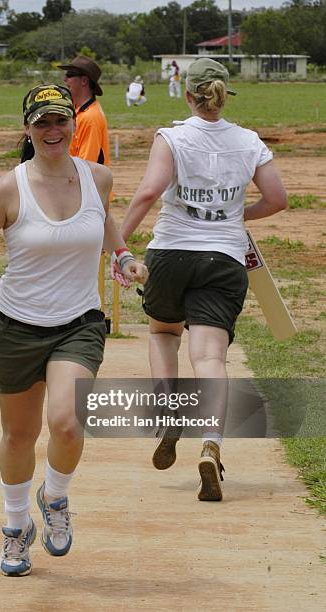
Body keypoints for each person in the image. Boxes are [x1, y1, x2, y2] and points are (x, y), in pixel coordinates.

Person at [0, 83, 148, 577]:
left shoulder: (98, 177)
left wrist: (122, 255)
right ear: (27, 129)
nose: (53, 130)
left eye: (61, 120)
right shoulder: (6, 189)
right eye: (42, 122)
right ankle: (16, 528)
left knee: (66, 421)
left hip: (79, 323)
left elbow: (102, 220)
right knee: (19, 436)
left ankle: (55, 498)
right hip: (17, 326)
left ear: (73, 124)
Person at [120, 58, 288, 502]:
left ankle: (169, 413)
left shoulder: (171, 137)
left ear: (189, 95)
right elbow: (277, 199)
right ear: (222, 94)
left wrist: (117, 245)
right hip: (224, 257)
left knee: (162, 333)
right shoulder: (249, 141)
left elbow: (149, 192)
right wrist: (235, 215)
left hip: (172, 252)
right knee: (210, 358)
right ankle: (211, 442)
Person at [60, 56, 110, 165]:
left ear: (84, 81)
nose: (65, 79)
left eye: (69, 74)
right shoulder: (76, 110)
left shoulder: (90, 117)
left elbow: (85, 166)